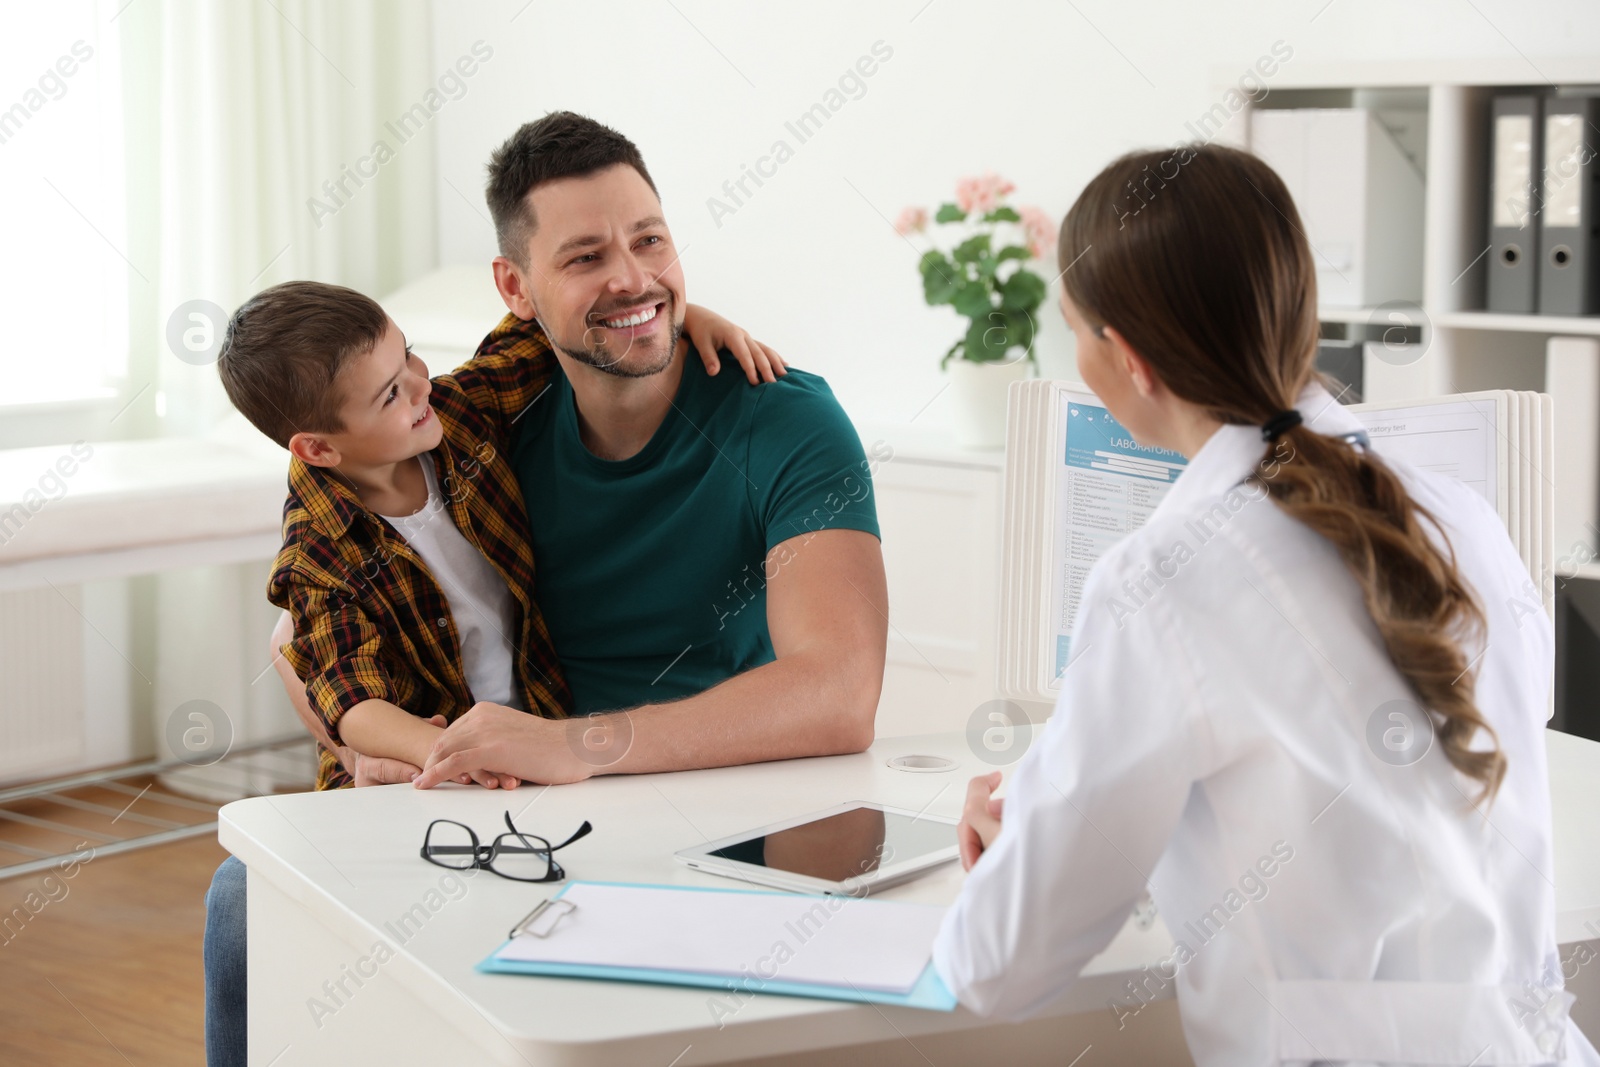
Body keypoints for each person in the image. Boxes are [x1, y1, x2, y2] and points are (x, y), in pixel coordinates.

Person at [933, 143, 1599, 1065]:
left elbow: (1000, 967)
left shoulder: (1161, 575)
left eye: (1075, 329)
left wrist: (1026, 847)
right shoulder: (1466, 521)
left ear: (1126, 360)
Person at [204, 278, 783, 1066]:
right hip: (425, 782)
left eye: (407, 352)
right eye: (387, 392)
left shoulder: (455, 414)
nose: (417, 383)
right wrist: (450, 749)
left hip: (536, 747)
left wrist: (687, 321)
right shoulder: (319, 546)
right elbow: (352, 703)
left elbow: (545, 331)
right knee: (241, 902)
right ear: (320, 447)